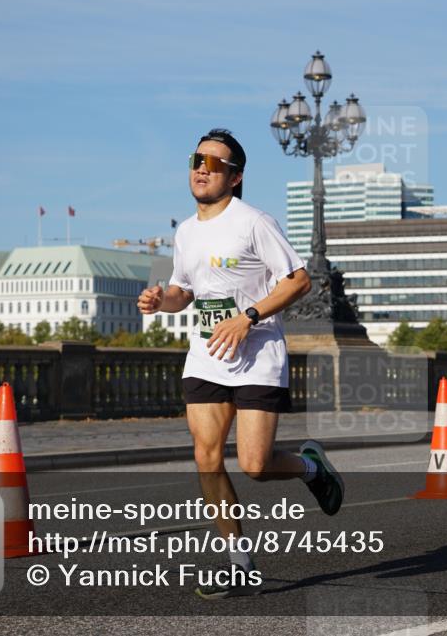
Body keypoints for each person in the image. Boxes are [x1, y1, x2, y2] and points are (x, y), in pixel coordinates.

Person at [137, 129, 344, 599]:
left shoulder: (254, 222)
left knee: (254, 464)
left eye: (215, 162)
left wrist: (248, 317)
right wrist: (159, 298)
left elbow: (298, 281)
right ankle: (240, 564)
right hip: (207, 356)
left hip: (257, 357)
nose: (202, 168)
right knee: (207, 458)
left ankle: (312, 468)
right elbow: (184, 292)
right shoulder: (185, 232)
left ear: (235, 177)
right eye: (197, 159)